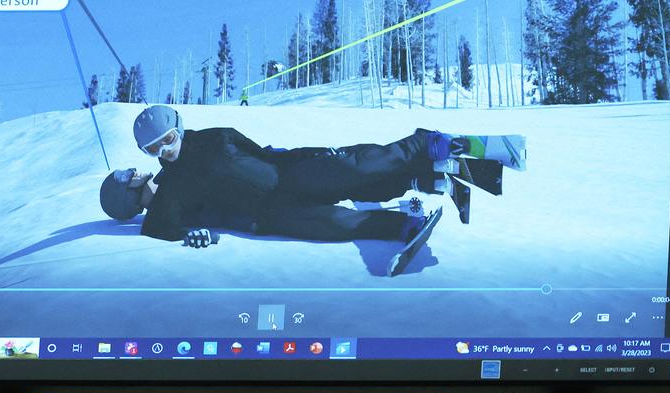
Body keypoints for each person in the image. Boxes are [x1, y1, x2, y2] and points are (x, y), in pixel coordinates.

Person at [98, 106, 514, 275]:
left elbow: (253, 150)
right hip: (269, 216)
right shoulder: (164, 204)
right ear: (127, 196)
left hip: (289, 173)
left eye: (167, 139)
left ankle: (430, 146)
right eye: (153, 149)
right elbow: (166, 229)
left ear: (179, 128)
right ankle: (409, 217)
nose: (163, 152)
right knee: (338, 223)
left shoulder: (212, 136)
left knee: (360, 168)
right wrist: (194, 235)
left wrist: (284, 158)